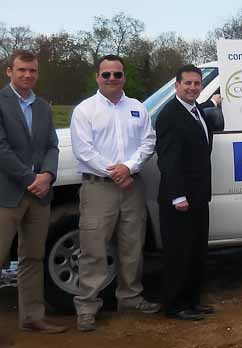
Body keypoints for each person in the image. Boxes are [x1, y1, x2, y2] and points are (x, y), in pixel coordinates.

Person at [70, 54, 159, 331]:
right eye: (106, 74)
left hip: (132, 186)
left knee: (132, 246)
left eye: (117, 74)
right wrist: (115, 172)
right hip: (98, 188)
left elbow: (148, 142)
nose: (112, 79)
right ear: (97, 77)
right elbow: (83, 150)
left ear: (124, 78)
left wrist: (128, 167)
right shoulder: (85, 110)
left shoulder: (137, 108)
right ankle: (87, 306)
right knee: (93, 249)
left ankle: (130, 297)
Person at [0, 50, 66, 333]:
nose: (27, 75)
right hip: (7, 194)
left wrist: (48, 175)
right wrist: (30, 178)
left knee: (32, 258)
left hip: (39, 196)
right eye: (21, 70)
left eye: (32, 71)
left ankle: (32, 318)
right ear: (9, 71)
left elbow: (52, 144)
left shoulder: (42, 107)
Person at [156, 64, 221, 321]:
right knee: (178, 253)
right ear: (177, 86)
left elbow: (200, 124)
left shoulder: (196, 111)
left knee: (195, 250)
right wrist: (177, 196)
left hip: (198, 195)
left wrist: (214, 103)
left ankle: (192, 300)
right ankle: (174, 304)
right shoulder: (169, 115)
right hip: (180, 198)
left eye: (197, 83)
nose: (193, 87)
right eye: (188, 84)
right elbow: (168, 160)